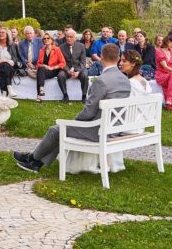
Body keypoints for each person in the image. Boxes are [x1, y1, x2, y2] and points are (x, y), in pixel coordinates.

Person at [13, 44, 131, 173]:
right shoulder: (125, 79)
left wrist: (75, 121)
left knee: (56, 130)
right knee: (62, 130)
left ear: (101, 57)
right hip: (115, 127)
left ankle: (33, 159)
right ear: (118, 58)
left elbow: (89, 112)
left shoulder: (101, 80)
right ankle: (36, 162)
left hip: (99, 130)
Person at [0, 26, 22, 98]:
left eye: (3, 33)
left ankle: (4, 93)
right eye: (0, 33)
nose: (1, 34)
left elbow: (17, 58)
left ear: (7, 35)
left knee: (5, 68)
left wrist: (5, 60)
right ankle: (9, 88)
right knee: (5, 66)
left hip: (10, 66)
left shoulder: (13, 45)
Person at [59, 29, 89, 103]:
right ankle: (65, 95)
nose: (68, 38)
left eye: (71, 37)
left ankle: (84, 96)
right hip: (67, 68)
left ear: (75, 38)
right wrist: (68, 70)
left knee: (85, 76)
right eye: (67, 36)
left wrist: (78, 71)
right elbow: (62, 62)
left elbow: (83, 62)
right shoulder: (61, 47)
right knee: (60, 75)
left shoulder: (81, 46)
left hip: (79, 68)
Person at [36, 33, 66, 103]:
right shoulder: (42, 50)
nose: (46, 40)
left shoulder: (57, 49)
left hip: (54, 70)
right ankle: (41, 89)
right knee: (40, 69)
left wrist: (52, 68)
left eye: (48, 38)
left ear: (52, 40)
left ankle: (39, 95)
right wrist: (44, 66)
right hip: (44, 70)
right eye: (44, 38)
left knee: (40, 72)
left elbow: (63, 63)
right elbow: (38, 64)